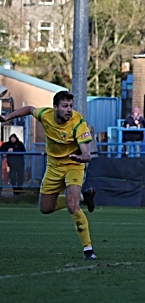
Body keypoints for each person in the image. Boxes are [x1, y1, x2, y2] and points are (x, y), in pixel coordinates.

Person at [0, 91, 97, 260]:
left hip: (74, 165)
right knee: (45, 208)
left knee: (72, 206)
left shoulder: (78, 122)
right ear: (55, 107)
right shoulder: (45, 115)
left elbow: (87, 155)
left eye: (71, 106)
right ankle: (83, 196)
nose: (69, 110)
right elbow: (30, 109)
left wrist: (79, 157)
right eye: (65, 106)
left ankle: (88, 250)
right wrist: (8, 117)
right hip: (53, 167)